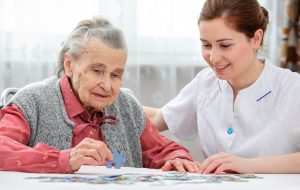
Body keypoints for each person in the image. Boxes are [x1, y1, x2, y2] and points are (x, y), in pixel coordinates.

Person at [0, 16, 200, 173]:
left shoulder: (127, 105)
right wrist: (64, 159)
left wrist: (178, 158)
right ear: (69, 64)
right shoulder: (32, 102)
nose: (107, 85)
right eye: (97, 70)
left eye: (116, 75)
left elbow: (161, 150)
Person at [144, 0, 300, 174]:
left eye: (225, 45)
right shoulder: (205, 82)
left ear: (256, 39)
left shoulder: (292, 89)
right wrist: (111, 104)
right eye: (206, 45)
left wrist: (248, 165)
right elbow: (159, 118)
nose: (213, 58)